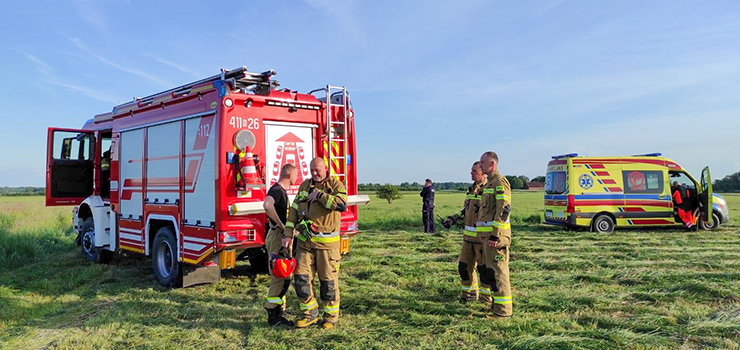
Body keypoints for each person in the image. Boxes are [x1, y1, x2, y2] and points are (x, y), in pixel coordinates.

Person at [284, 158, 348, 329]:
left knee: (328, 283)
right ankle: (309, 313)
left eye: (318, 170)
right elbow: (294, 211)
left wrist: (320, 196)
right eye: (312, 170)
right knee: (301, 278)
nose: (314, 173)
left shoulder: (336, 185)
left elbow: (342, 204)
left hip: (327, 246)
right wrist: (288, 234)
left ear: (326, 169)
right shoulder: (304, 186)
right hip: (305, 243)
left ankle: (330, 317)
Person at [443, 161, 491, 303]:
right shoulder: (471, 189)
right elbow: (466, 210)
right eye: (471, 171)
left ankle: (485, 298)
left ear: (483, 173)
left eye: (474, 171)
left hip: (482, 239)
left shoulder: (489, 190)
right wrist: (453, 219)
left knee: (483, 270)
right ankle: (468, 295)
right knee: (463, 267)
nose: (471, 173)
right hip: (468, 239)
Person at [476, 151, 513, 319]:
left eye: (483, 162)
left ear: (492, 164)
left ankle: (503, 312)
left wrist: (495, 235)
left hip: (496, 239)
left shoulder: (499, 182)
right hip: (488, 238)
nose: (480, 165)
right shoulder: (489, 184)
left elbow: (503, 209)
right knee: (491, 273)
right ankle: (496, 306)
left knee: (499, 273)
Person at [263, 164, 298, 326]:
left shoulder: (280, 191)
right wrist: (282, 226)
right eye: (296, 175)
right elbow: (267, 205)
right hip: (278, 237)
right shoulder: (277, 190)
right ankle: (273, 315)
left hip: (279, 236)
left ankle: (278, 309)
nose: (297, 178)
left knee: (283, 275)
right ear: (289, 174)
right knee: (279, 275)